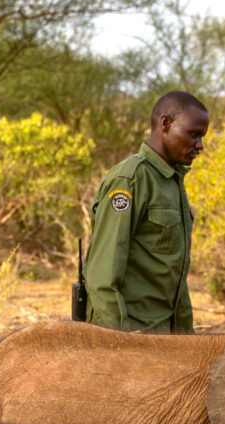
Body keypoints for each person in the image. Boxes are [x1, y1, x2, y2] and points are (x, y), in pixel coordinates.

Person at [83, 91, 208, 333]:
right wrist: (117, 344)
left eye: (202, 137)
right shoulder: (130, 179)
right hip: (134, 335)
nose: (200, 145)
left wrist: (185, 336)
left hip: (165, 334)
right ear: (165, 123)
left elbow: (172, 272)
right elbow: (103, 276)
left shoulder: (172, 181)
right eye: (193, 134)